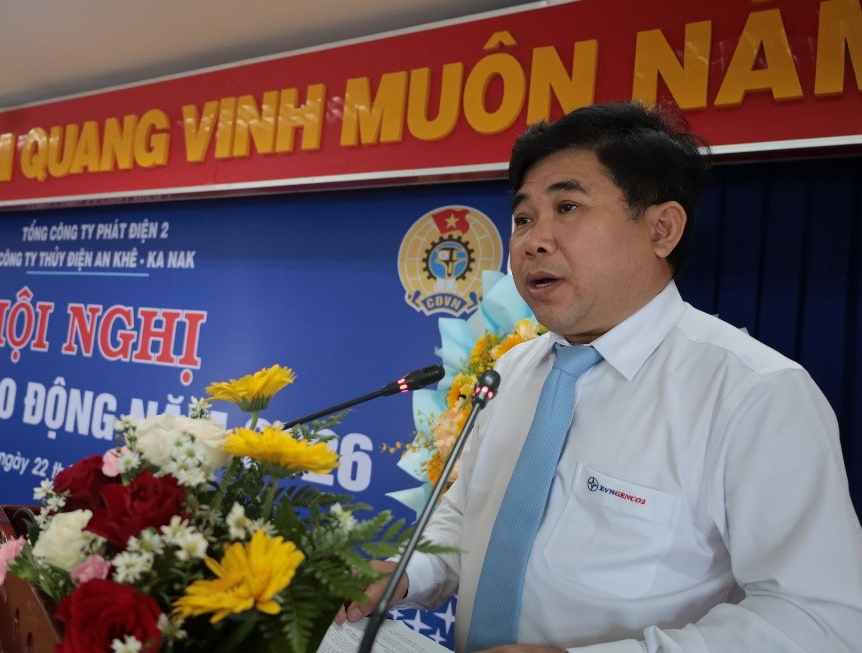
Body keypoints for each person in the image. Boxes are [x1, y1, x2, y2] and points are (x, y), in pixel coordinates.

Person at [337, 102, 862, 652]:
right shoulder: (511, 371)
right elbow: (468, 518)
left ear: (662, 229)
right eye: (523, 218)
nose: (532, 241)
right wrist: (406, 574)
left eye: (567, 207)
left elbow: (817, 622)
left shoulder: (755, 394)